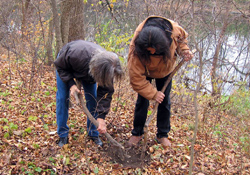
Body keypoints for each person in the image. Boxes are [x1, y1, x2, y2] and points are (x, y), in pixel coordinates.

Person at [127, 16, 193, 147]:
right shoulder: (137, 47)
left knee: (165, 101)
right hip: (145, 71)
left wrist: (184, 50)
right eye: (149, 51)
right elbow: (136, 78)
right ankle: (137, 133)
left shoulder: (173, 30)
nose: (153, 52)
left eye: (155, 50)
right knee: (142, 101)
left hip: (165, 71)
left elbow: (181, 40)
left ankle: (162, 135)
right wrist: (153, 94)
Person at [54, 40, 123, 147]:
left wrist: (101, 117)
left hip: (88, 72)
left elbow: (105, 94)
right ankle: (62, 134)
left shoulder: (109, 66)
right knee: (62, 98)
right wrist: (71, 84)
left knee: (93, 100)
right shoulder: (76, 54)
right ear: (98, 70)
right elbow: (60, 66)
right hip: (66, 65)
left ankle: (93, 133)